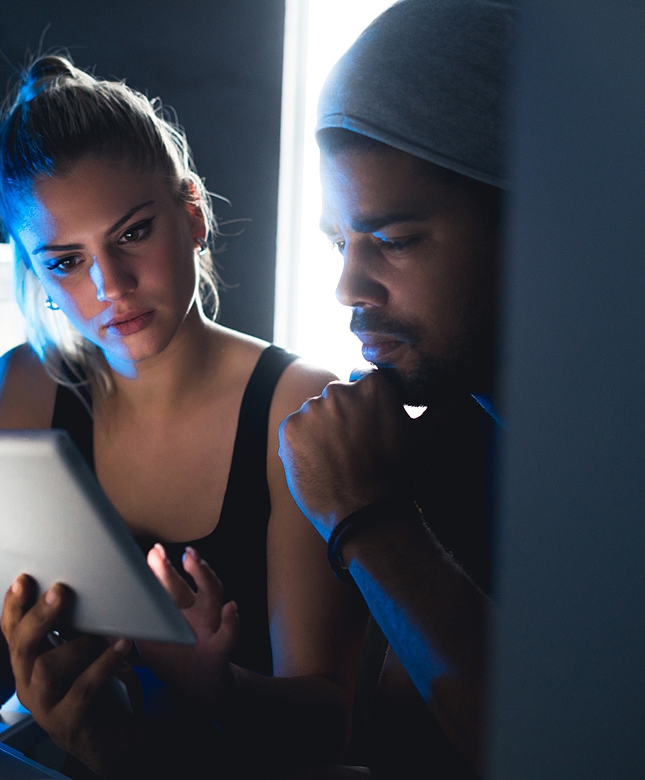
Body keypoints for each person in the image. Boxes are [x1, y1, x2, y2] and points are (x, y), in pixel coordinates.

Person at [0, 53, 365, 779]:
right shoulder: (22, 387)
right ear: (36, 273)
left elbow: (330, 728)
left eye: (132, 233)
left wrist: (217, 688)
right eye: (67, 261)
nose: (111, 286)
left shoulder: (295, 405)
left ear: (193, 214)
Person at [277, 1, 516, 778]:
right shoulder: (438, 429)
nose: (348, 284)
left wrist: (368, 520)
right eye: (339, 241)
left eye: (394, 240)